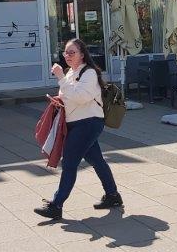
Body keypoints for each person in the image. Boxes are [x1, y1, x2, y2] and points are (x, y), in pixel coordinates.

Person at [34, 38, 122, 220]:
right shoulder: (70, 73)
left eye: (72, 52)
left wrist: (60, 78)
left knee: (70, 163)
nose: (67, 56)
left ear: (82, 55)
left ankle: (56, 205)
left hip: (88, 123)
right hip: (76, 124)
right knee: (97, 160)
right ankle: (113, 195)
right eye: (65, 52)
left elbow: (80, 97)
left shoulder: (88, 73)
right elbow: (68, 96)